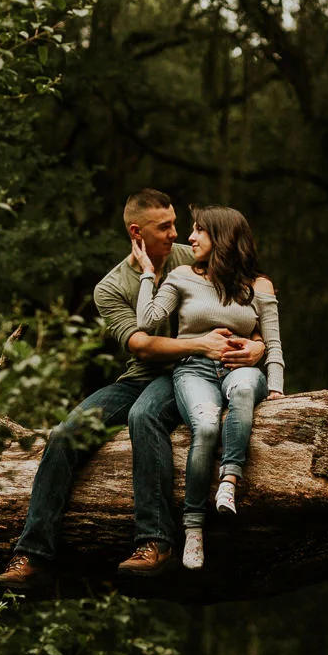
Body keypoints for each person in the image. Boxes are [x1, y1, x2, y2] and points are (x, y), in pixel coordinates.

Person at [0, 189, 266, 589]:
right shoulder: (111, 287)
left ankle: (154, 541)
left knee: (145, 415)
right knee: (65, 434)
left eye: (176, 223)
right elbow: (140, 344)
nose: (177, 234)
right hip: (143, 375)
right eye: (164, 227)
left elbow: (247, 301)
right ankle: (31, 554)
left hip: (194, 374)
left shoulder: (194, 257)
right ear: (137, 232)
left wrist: (258, 345)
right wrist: (198, 344)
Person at [132, 205, 284, 570]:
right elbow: (147, 321)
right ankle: (194, 526)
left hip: (239, 368)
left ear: (222, 237)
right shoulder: (183, 276)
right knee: (206, 425)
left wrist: (276, 387)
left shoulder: (259, 286)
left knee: (244, 391)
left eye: (199, 230)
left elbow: (273, 342)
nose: (190, 237)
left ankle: (229, 480)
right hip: (194, 370)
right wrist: (148, 275)